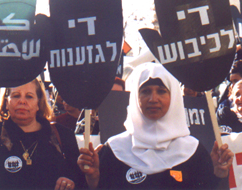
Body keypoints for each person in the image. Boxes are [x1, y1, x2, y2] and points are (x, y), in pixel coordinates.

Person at [78, 62, 233, 189]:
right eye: (145, 91)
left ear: (174, 98)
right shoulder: (114, 151)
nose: (153, 99)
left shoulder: (193, 152)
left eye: (161, 91)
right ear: (134, 98)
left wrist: (218, 175)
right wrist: (93, 180)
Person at [0, 78, 86, 190]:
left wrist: (69, 183)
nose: (22, 101)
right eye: (16, 96)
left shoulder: (63, 135)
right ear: (6, 103)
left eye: (29, 96)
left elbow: (80, 181)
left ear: (39, 103)